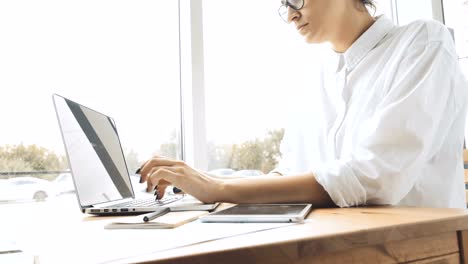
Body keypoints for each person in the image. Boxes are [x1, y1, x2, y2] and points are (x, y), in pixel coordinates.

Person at [139, 0, 468, 208]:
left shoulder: (422, 42)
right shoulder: (314, 76)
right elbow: (291, 173)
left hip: (415, 248)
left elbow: (376, 178)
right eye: (284, 4)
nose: (291, 14)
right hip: (329, 241)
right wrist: (200, 180)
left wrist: (221, 188)